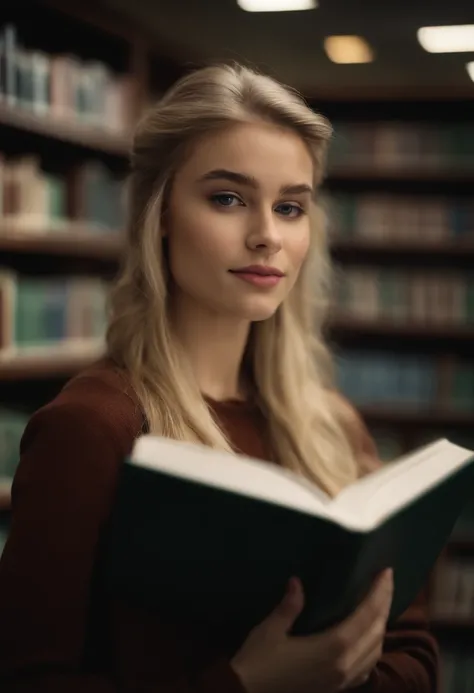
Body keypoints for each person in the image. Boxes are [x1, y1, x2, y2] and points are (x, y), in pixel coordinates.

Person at [0, 62, 438, 693]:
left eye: (290, 207)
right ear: (162, 214)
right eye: (228, 198)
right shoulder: (93, 428)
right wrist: (246, 683)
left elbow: (413, 651)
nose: (266, 236)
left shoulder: (332, 424)